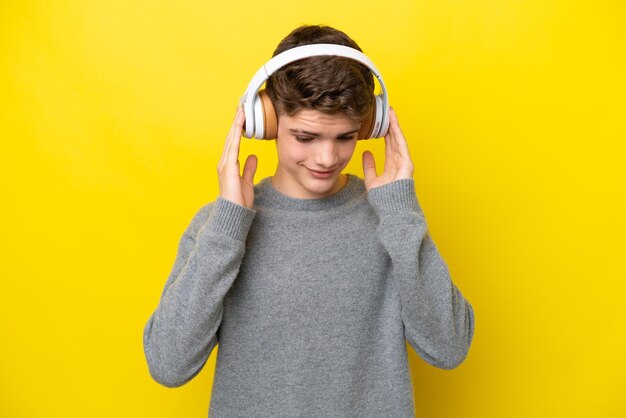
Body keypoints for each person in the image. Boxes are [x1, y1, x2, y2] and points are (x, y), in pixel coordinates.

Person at [143, 25, 475, 417]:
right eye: (305, 137)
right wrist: (227, 225)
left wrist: (401, 214)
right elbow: (168, 365)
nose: (326, 158)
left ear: (370, 126)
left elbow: (449, 348)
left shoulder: (392, 221)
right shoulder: (221, 227)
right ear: (264, 122)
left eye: (345, 138)